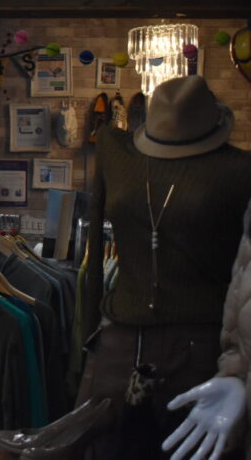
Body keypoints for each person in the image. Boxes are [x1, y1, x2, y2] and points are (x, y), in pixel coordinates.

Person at [70, 76, 251, 458]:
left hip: (200, 348)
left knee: (190, 450)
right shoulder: (115, 150)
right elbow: (94, 250)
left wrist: (239, 367)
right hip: (118, 343)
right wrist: (86, 336)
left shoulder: (239, 171)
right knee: (104, 448)